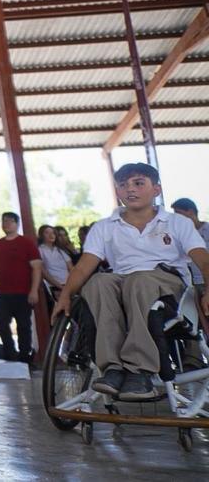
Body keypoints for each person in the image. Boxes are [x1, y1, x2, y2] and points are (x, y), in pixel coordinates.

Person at [53, 164, 209, 401]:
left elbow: (202, 259)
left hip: (168, 285)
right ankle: (113, 368)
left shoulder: (177, 223)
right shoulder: (105, 226)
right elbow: (84, 265)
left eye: (138, 183)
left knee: (139, 280)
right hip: (123, 283)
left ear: (156, 189)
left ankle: (139, 369)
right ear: (118, 192)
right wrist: (65, 295)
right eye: (123, 185)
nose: (130, 190)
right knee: (97, 283)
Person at [0, 212, 43, 364]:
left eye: (10, 221)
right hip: (2, 293)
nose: (6, 223)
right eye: (3, 221)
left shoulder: (26, 243)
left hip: (23, 293)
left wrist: (33, 290)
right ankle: (10, 353)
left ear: (17, 223)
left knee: (24, 325)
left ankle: (25, 356)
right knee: (2, 323)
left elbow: (37, 267)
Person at [169, 197, 209, 333]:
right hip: (190, 284)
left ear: (191, 212)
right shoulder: (179, 235)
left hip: (206, 280)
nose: (176, 217)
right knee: (198, 323)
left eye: (179, 213)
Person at [37, 224, 73, 292]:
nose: (51, 235)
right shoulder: (40, 250)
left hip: (68, 285)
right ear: (41, 235)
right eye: (47, 233)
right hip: (53, 287)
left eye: (53, 233)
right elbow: (43, 272)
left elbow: (71, 268)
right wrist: (59, 286)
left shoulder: (60, 250)